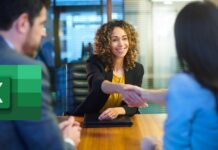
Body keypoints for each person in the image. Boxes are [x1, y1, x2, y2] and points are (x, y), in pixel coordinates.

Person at [125, 1, 218, 149]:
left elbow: (175, 147)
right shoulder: (202, 81)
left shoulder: (184, 84)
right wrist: (144, 94)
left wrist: (152, 147)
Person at [0, 0, 81, 149]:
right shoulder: (21, 69)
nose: (44, 33)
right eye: (41, 24)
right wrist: (68, 141)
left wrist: (48, 130)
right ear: (23, 23)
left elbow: (8, 126)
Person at [74, 20, 145, 120]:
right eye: (115, 40)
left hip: (119, 119)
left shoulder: (137, 69)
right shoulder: (94, 62)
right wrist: (121, 88)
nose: (121, 44)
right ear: (106, 44)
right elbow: (98, 84)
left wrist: (117, 110)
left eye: (125, 39)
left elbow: (133, 105)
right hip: (91, 117)